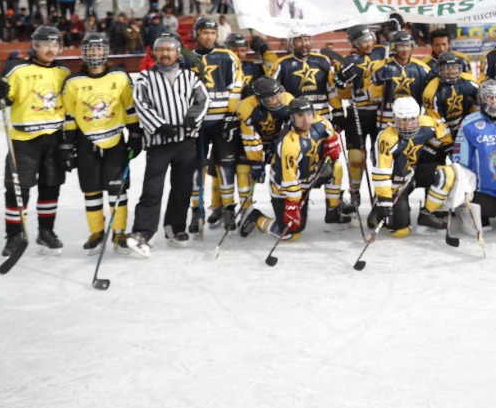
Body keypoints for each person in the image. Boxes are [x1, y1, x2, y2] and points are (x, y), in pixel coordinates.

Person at [0, 25, 72, 257]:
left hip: (54, 140)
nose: (51, 49)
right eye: (45, 44)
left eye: (55, 45)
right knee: (18, 189)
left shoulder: (63, 72)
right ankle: (14, 235)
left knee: (51, 187)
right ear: (35, 46)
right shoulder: (17, 69)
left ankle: (46, 231)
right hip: (24, 142)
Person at [124, 33, 209, 256]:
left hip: (185, 143)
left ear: (178, 53)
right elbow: (140, 104)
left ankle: (175, 228)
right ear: (154, 53)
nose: (165, 53)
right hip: (159, 143)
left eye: (170, 49)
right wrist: (159, 125)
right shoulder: (144, 78)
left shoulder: (190, 77)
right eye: (161, 49)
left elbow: (202, 100)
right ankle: (143, 232)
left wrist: (192, 119)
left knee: (181, 188)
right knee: (152, 190)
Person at [422, 80, 496, 231]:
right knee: (484, 215)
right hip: (482, 189)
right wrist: (463, 182)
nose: (494, 102)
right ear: (481, 99)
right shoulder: (469, 123)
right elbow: (461, 159)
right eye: (489, 97)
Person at [62, 32, 140, 252]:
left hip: (115, 140)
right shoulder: (73, 81)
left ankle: (119, 233)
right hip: (86, 143)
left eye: (98, 48)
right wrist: (67, 145)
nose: (94, 53)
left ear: (106, 52)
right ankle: (96, 232)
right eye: (90, 49)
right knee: (91, 190)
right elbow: (69, 116)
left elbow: (129, 108)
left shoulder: (120, 77)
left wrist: (135, 133)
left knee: (118, 189)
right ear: (83, 53)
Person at [242, 96, 348, 240]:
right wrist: (293, 204)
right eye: (300, 116)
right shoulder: (288, 144)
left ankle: (333, 212)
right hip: (284, 190)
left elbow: (329, 130)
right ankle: (257, 218)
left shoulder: (319, 123)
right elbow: (289, 180)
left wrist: (332, 144)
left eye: (309, 114)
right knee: (290, 234)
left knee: (336, 168)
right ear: (292, 118)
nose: (306, 120)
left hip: (308, 178)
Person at [188, 15, 247, 232]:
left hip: (222, 121)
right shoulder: (187, 59)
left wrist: (231, 116)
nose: (210, 37)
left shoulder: (227, 56)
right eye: (205, 33)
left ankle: (228, 209)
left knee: (226, 166)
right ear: (197, 34)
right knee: (197, 169)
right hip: (197, 124)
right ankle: (197, 211)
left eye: (213, 33)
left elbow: (237, 85)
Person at [367, 96, 454, 235]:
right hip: (397, 181)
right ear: (395, 119)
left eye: (413, 119)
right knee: (401, 233)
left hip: (416, 171)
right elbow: (381, 174)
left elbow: (447, 140)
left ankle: (427, 214)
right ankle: (378, 208)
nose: (409, 124)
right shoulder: (386, 138)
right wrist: (384, 199)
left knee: (448, 174)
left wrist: (450, 154)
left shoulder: (429, 125)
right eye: (403, 120)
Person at [335, 24, 388, 213]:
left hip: (381, 113)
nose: (367, 44)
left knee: (380, 156)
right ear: (354, 43)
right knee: (356, 156)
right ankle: (355, 192)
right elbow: (342, 94)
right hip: (358, 112)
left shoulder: (383, 52)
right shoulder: (346, 61)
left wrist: (392, 31)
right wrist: (342, 83)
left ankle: (382, 194)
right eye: (362, 41)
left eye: (369, 39)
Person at [371, 29, 434, 124]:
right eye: (401, 46)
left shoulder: (423, 69)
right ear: (394, 47)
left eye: (408, 45)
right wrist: (378, 81)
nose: (405, 50)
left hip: (412, 118)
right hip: (387, 117)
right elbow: (372, 96)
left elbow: (429, 96)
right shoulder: (381, 66)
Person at [422, 51, 479, 136]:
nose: (451, 71)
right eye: (447, 68)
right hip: (444, 127)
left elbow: (480, 105)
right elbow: (437, 122)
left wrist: (473, 122)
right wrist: (448, 142)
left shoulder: (470, 81)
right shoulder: (431, 91)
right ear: (439, 70)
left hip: (466, 122)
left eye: (454, 67)